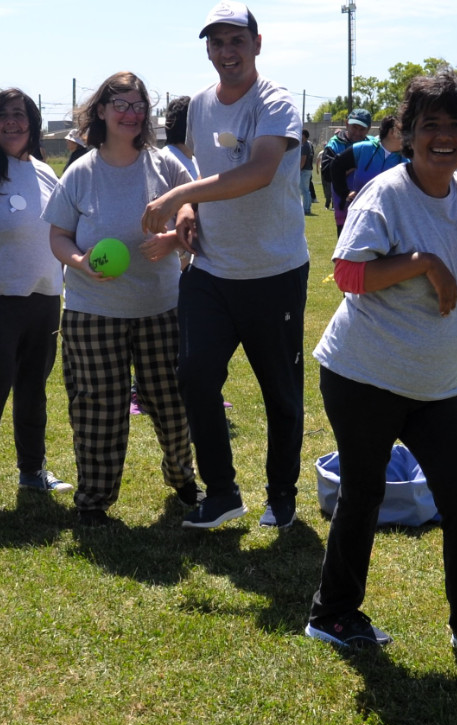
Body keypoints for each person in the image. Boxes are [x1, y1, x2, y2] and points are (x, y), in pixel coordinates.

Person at [303, 67, 457, 669]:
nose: (444, 137)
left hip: (436, 385)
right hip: (363, 374)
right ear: (408, 134)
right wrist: (423, 262)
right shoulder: (385, 195)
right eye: (430, 125)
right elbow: (348, 274)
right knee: (363, 493)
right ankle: (332, 614)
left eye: (456, 127)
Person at [141, 1, 309, 530]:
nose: (226, 51)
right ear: (208, 50)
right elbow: (202, 169)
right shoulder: (199, 104)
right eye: (216, 42)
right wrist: (189, 207)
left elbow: (260, 171)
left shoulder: (275, 102)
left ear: (257, 44)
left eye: (237, 40)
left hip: (274, 272)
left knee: (280, 392)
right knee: (194, 377)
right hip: (210, 270)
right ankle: (222, 493)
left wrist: (178, 196)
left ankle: (281, 494)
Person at [43, 72, 200, 526]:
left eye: (138, 106)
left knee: (172, 402)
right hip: (93, 311)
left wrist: (174, 238)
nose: (131, 114)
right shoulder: (80, 172)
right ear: (102, 111)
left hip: (161, 308)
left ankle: (183, 478)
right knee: (98, 408)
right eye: (121, 105)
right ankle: (93, 500)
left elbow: (192, 209)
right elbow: (58, 236)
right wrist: (79, 260)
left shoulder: (164, 166)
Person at [0, 88, 72, 494]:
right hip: (2, 300)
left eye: (19, 114)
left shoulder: (45, 172)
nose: (11, 122)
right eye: (3, 115)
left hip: (45, 299)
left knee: (33, 390)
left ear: (32, 123)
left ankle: (32, 471)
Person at [329, 115, 406, 213]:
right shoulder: (363, 149)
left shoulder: (408, 159)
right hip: (361, 214)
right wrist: (345, 193)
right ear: (392, 132)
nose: (409, 136)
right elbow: (336, 165)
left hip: (391, 216)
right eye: (405, 132)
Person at [325, 109, 371, 233]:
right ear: (346, 124)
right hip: (343, 207)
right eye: (354, 127)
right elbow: (327, 173)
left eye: (362, 129)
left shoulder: (372, 146)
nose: (357, 132)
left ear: (368, 129)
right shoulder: (334, 144)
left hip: (369, 207)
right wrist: (351, 166)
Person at [300, 128, 314, 215]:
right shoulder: (308, 144)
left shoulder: (305, 145)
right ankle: (307, 208)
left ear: (304, 136)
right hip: (308, 169)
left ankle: (306, 209)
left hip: (304, 170)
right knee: (306, 190)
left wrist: (299, 169)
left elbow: (303, 159)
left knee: (304, 190)